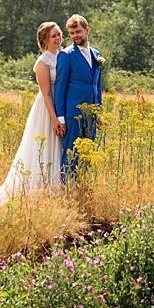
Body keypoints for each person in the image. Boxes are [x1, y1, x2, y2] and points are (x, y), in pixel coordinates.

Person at [0, 22, 66, 205]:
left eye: (59, 34)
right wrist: (54, 119)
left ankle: (56, 188)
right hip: (47, 109)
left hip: (61, 106)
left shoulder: (62, 57)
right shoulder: (43, 62)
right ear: (45, 39)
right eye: (53, 35)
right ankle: (36, 189)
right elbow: (46, 93)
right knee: (44, 146)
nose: (58, 38)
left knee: (58, 146)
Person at [54, 14, 104, 185]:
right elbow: (59, 88)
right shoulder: (66, 55)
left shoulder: (97, 54)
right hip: (72, 113)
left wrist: (98, 112)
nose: (75, 36)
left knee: (88, 153)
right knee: (71, 152)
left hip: (91, 114)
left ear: (87, 30)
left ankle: (83, 186)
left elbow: (97, 85)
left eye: (78, 32)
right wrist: (60, 117)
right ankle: (66, 188)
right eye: (72, 33)